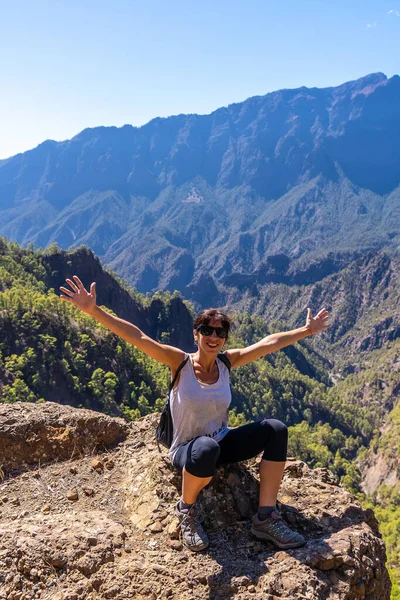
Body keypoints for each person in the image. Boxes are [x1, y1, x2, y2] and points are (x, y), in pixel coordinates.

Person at [59, 275, 330, 552]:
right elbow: (137, 336)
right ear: (196, 334)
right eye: (207, 330)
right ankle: (186, 511)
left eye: (220, 333)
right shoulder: (179, 363)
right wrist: (93, 310)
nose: (213, 337)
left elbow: (267, 343)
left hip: (221, 441)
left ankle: (266, 517)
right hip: (188, 450)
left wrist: (306, 331)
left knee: (276, 430)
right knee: (205, 448)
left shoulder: (226, 363)